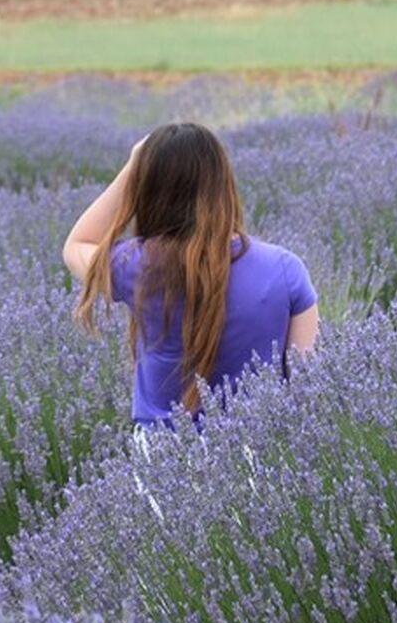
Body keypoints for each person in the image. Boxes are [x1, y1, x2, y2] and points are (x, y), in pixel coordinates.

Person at [64, 123, 319, 426]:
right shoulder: (286, 270)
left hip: (160, 452)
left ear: (148, 188)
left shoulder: (136, 265)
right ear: (223, 184)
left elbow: (77, 244)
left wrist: (134, 165)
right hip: (258, 451)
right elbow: (305, 388)